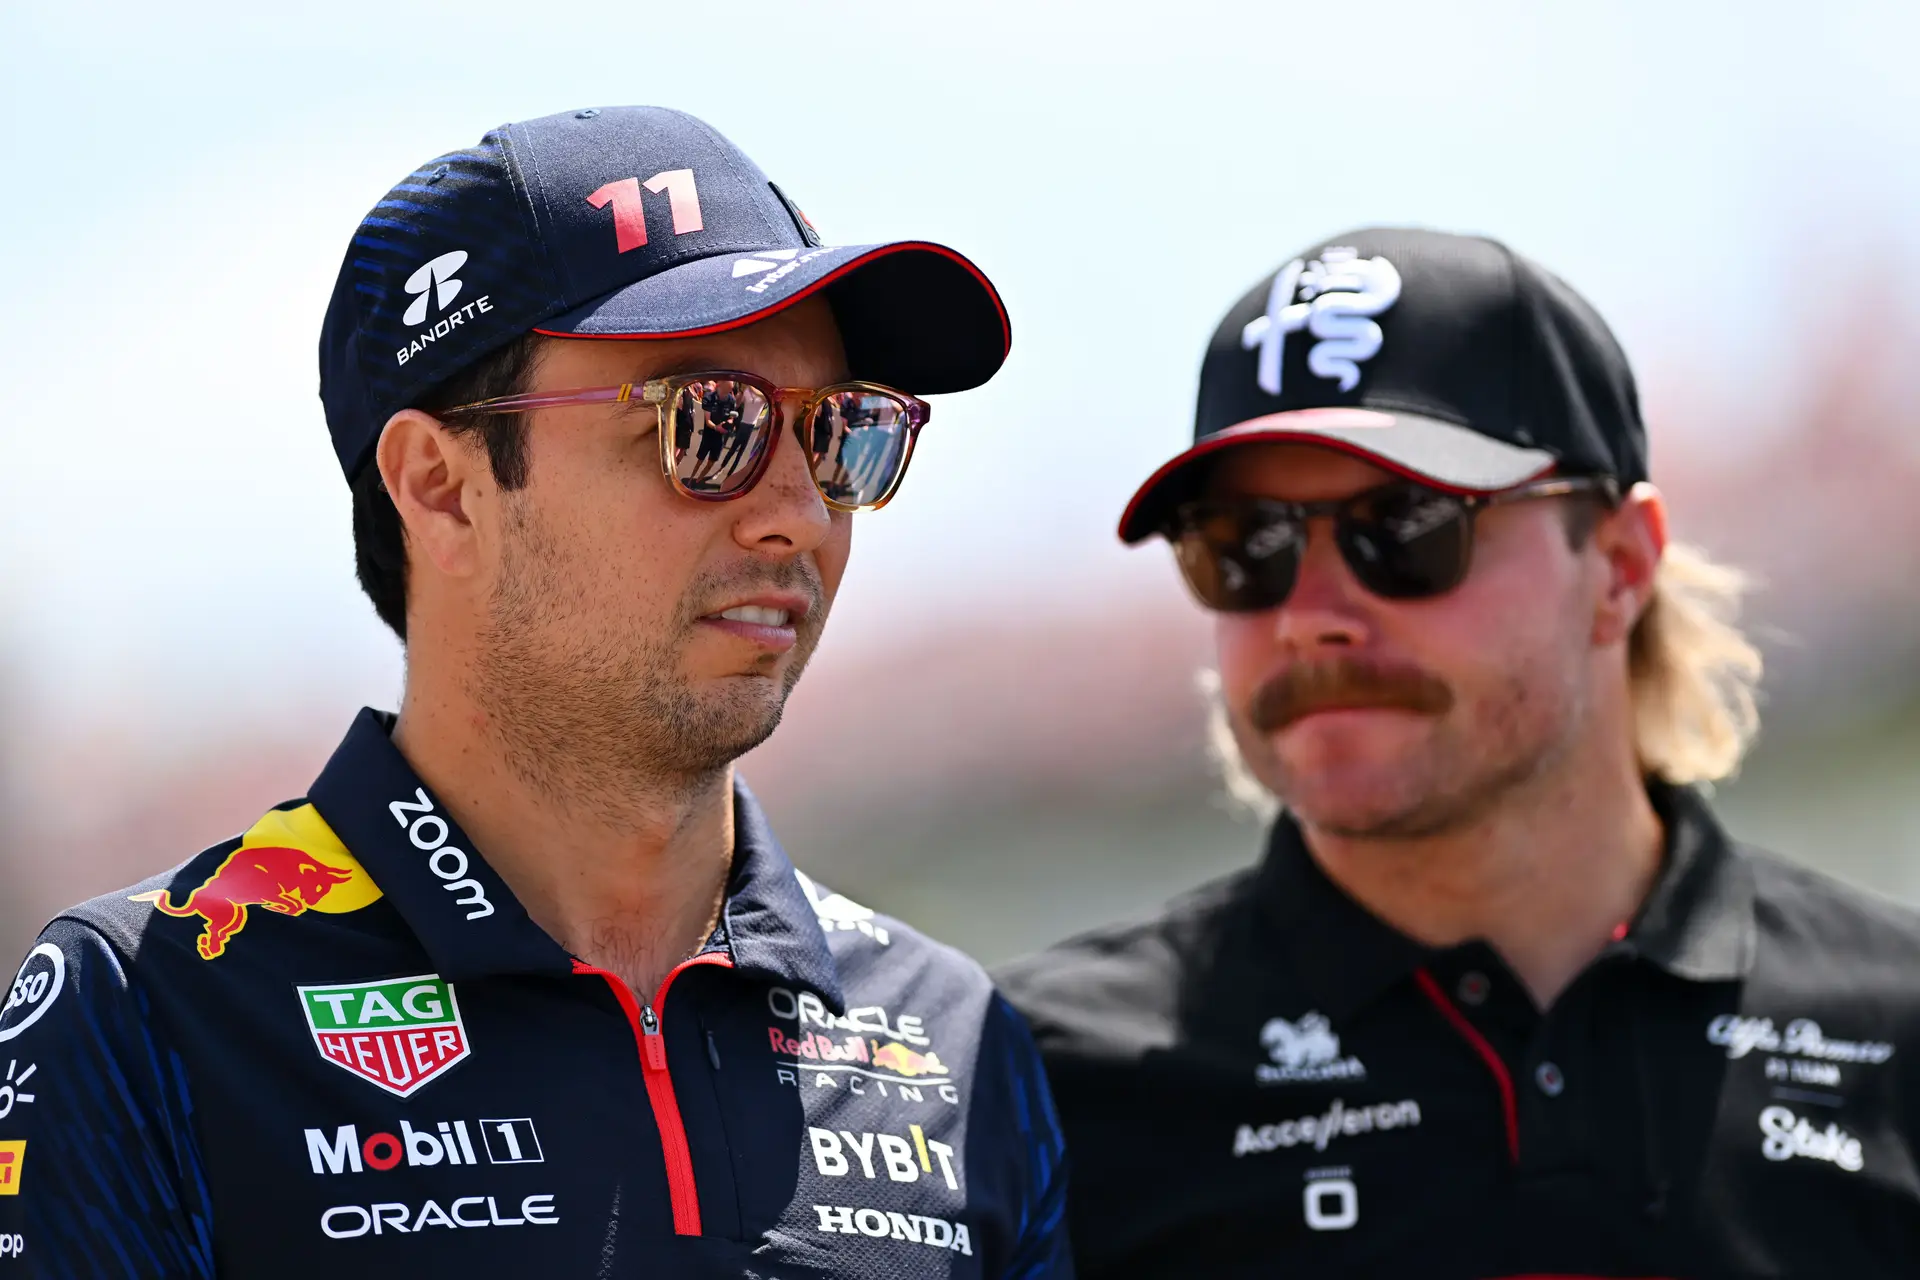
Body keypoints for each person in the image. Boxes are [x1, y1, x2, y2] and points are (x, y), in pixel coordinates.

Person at [0, 106, 1069, 1279]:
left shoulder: (951, 1037)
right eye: (711, 424)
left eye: (842, 432)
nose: (800, 512)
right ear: (442, 487)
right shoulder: (153, 1002)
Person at [996, 227, 1920, 1276]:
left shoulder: (1899, 1023)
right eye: (1243, 544)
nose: (1310, 616)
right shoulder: (1033, 1078)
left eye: (1405, 523)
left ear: (1619, 565)